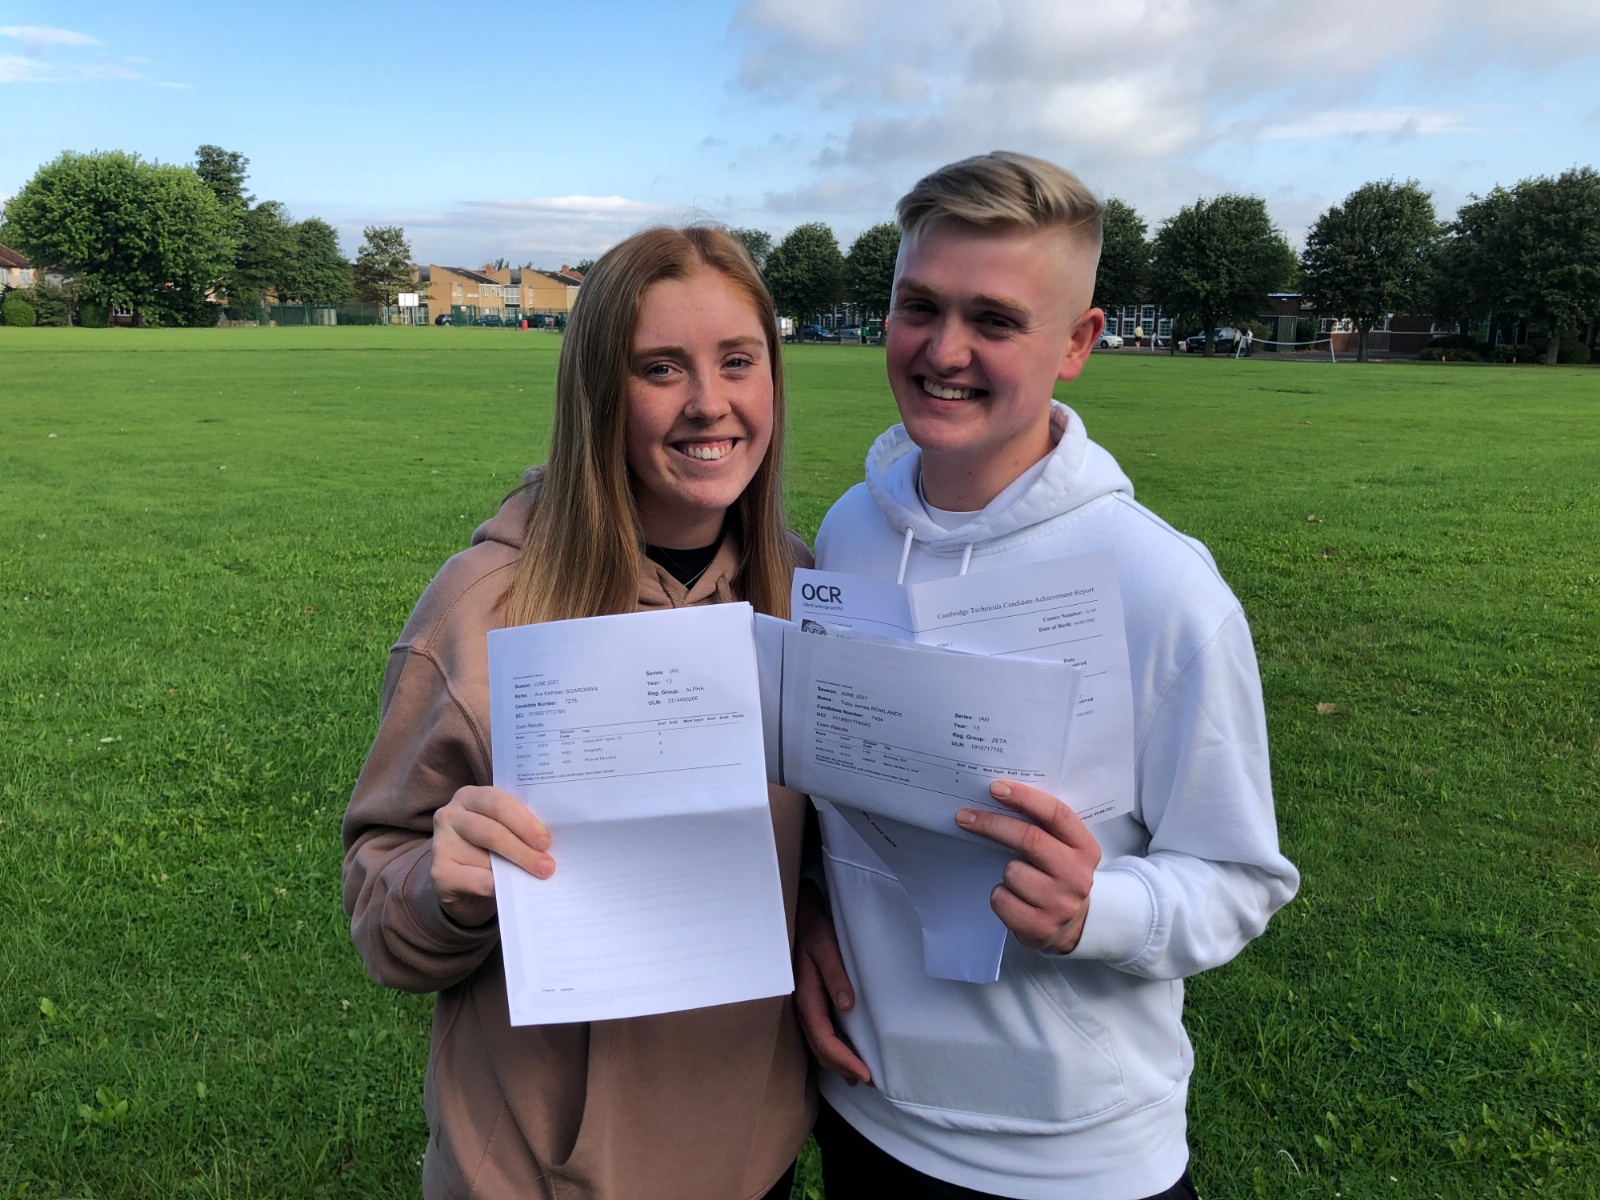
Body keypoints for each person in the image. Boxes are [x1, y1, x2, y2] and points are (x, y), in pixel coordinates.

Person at [794, 152, 1300, 1200]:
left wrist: (1094, 909)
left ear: (1077, 342)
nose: (944, 350)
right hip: (865, 1110)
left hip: (1073, 1162)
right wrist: (810, 913)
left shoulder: (1163, 588)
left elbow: (1240, 879)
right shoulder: (847, 531)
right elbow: (833, 790)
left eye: (994, 320)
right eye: (919, 306)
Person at [343, 226, 815, 1200]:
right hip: (532, 1172)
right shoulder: (482, 607)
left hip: (750, 1157)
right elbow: (380, 898)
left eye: (738, 361)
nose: (709, 402)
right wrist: (443, 888)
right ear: (599, 391)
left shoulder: (801, 593)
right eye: (661, 367)